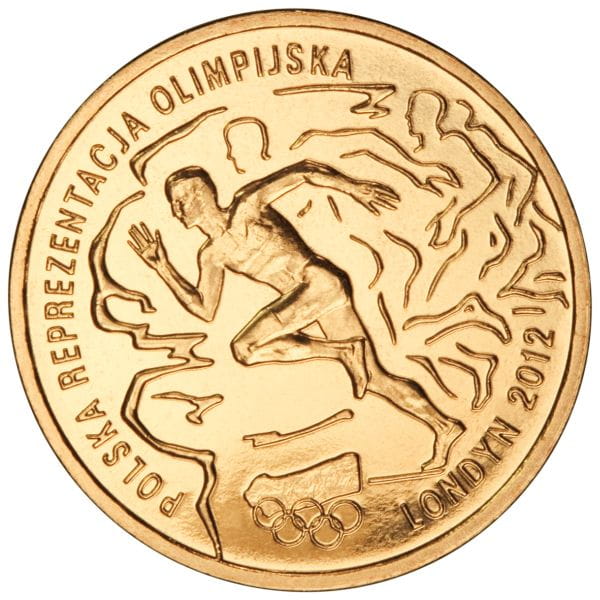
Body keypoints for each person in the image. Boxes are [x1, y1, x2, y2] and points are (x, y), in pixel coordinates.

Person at [127, 159, 464, 470]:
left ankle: (341, 351)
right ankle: (444, 426)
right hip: (310, 299)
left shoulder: (247, 205)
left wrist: (352, 186)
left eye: (181, 200)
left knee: (244, 347)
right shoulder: (212, 255)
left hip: (318, 283)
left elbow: (302, 172)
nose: (176, 210)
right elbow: (204, 309)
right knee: (374, 378)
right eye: (174, 203)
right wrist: (162, 267)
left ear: (202, 194)